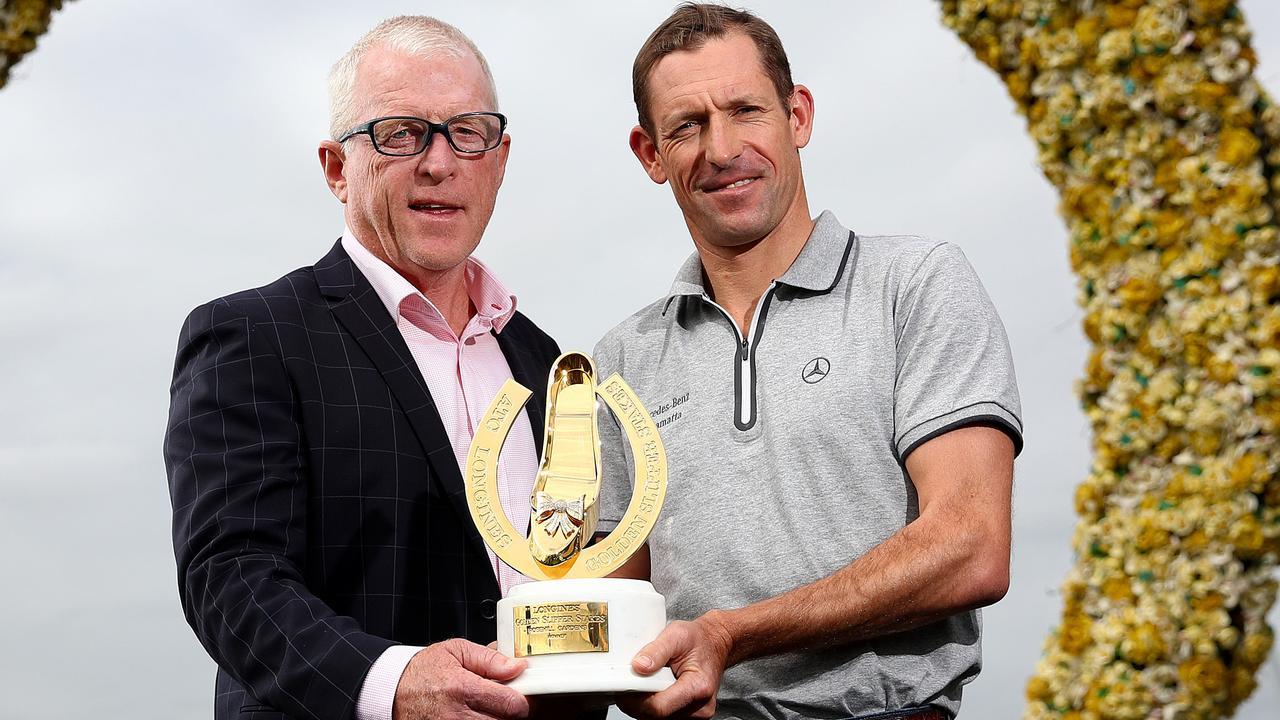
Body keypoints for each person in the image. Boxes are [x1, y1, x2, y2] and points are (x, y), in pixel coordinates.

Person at [594, 5, 1024, 719]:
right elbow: (619, 606)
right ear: (649, 153)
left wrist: (731, 635)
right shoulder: (621, 359)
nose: (723, 147)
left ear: (798, 116)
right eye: (687, 126)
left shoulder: (915, 283)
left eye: (745, 110)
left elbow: (972, 546)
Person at [164, 16, 559, 720]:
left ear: (498, 160)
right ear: (337, 169)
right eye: (401, 133)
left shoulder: (545, 361)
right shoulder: (252, 336)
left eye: (468, 132)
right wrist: (391, 683)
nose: (440, 163)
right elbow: (231, 580)